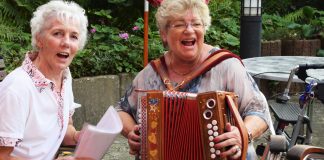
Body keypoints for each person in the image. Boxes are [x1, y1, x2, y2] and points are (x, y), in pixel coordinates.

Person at [115, 0, 272, 159]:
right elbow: (121, 110)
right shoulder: (152, 74)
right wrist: (133, 133)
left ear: (204, 29)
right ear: (164, 33)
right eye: (179, 24)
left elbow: (260, 111)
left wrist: (242, 134)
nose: (189, 31)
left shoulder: (226, 67)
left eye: (196, 24)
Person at [0, 0, 88, 159]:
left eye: (73, 36)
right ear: (39, 39)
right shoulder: (17, 88)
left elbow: (66, 127)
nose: (66, 42)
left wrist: (77, 136)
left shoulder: (64, 76)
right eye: (57, 33)